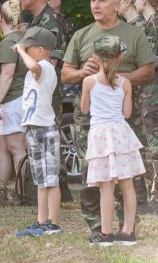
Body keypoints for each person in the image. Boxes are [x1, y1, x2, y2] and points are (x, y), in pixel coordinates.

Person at [61, 0, 155, 236]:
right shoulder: (82, 35)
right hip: (90, 117)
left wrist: (115, 80)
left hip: (125, 116)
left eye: (101, 0)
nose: (95, 5)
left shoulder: (134, 34)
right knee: (92, 172)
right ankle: (97, 227)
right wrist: (83, 72)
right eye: (93, 0)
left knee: (129, 175)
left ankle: (127, 227)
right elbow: (66, 74)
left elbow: (148, 70)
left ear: (117, 3)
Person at [81, 35, 145, 246]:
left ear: (95, 57)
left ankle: (105, 234)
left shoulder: (89, 81)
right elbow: (127, 113)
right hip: (121, 135)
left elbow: (84, 109)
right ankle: (128, 233)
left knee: (105, 186)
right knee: (127, 184)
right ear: (121, 56)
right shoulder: (125, 83)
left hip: (100, 136)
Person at [13, 27, 62, 238]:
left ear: (41, 50)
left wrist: (22, 51)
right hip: (33, 129)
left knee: (51, 179)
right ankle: (42, 221)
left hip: (45, 130)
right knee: (41, 180)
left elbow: (33, 65)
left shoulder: (46, 66)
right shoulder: (36, 68)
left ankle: (54, 223)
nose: (25, 50)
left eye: (29, 47)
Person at [16, 0, 70, 125]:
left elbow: (52, 60)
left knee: (48, 141)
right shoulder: (36, 21)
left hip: (47, 92)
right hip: (34, 88)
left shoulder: (52, 20)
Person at [0, 0, 27, 187]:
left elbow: (8, 73)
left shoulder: (10, 41)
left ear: (0, 18)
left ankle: (23, 191)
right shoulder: (19, 38)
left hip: (11, 100)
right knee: (1, 146)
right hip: (7, 100)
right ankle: (2, 189)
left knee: (16, 147)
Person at [133, 0, 158, 211]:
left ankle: (156, 198)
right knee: (151, 144)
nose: (134, 2)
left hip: (154, 94)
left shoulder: (156, 25)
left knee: (155, 145)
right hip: (150, 93)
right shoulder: (151, 25)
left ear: (144, 0)